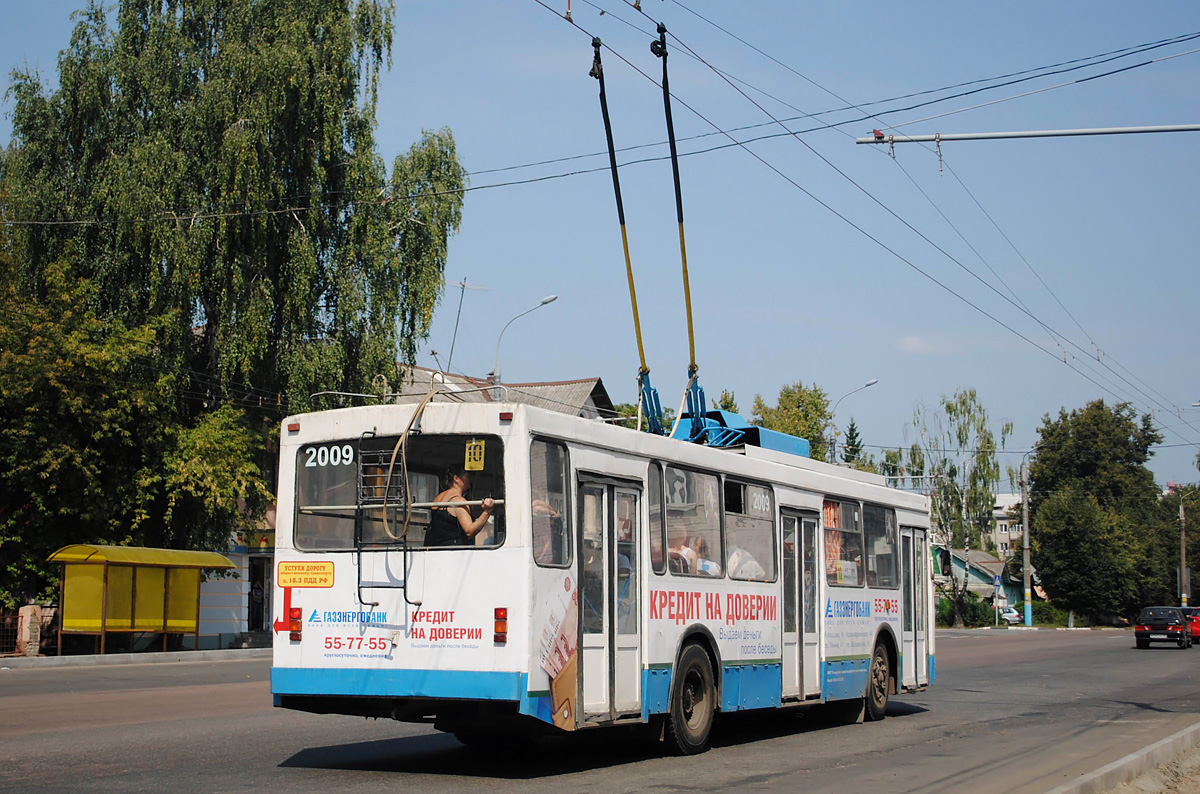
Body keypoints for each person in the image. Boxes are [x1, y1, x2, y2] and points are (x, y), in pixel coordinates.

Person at [423, 466, 496, 546]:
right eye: (467, 476)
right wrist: (487, 511)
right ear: (456, 478)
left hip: (437, 547)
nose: (470, 479)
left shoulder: (438, 498)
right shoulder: (459, 501)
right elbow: (470, 531)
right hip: (454, 548)